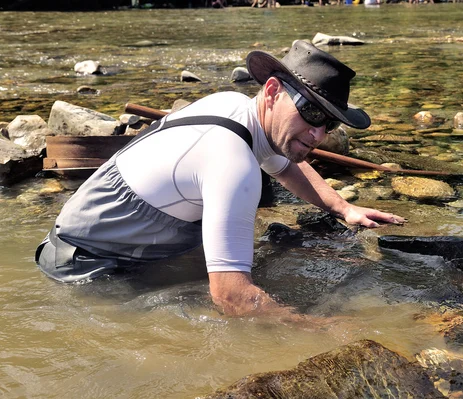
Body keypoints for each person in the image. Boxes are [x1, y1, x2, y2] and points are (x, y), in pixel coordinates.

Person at [35, 40, 405, 318]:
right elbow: (231, 297)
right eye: (310, 111)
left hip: (84, 239)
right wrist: (319, 329)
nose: (318, 134)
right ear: (273, 92)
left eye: (330, 122)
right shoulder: (232, 165)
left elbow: (283, 162)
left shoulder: (233, 105)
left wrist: (342, 207)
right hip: (88, 272)